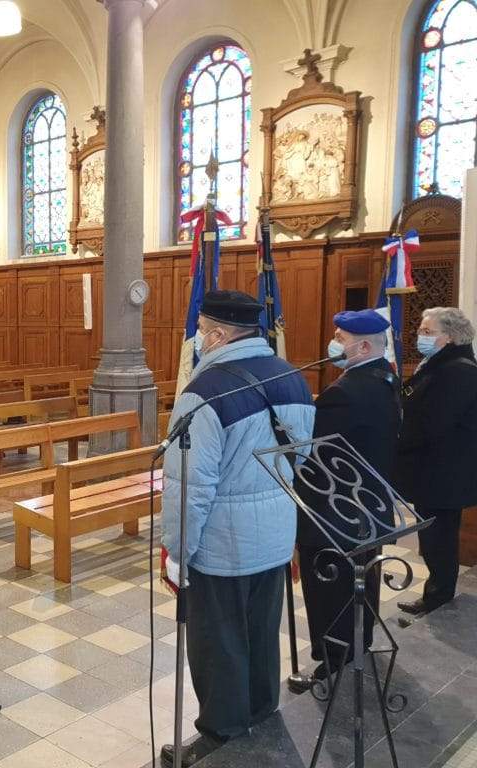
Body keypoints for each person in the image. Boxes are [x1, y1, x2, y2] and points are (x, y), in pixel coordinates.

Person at [159, 290, 315, 766]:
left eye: (201, 330)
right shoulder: (291, 376)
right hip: (275, 533)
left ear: (219, 335)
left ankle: (222, 731)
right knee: (262, 630)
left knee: (218, 641)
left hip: (223, 544)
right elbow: (301, 456)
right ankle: (261, 711)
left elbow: (189, 485)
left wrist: (177, 551)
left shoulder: (204, 392)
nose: (197, 338)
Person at [294, 310, 401, 685]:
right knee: (362, 583)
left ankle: (334, 661)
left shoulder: (344, 393)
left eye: (340, 338)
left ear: (365, 346)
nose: (334, 343)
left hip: (334, 512)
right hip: (368, 506)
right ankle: (360, 643)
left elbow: (314, 454)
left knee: (331, 590)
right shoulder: (386, 377)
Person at [395, 307, 477, 618]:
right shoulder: (438, 365)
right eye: (421, 330)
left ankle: (438, 597)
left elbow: (434, 422)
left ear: (451, 337)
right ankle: (436, 593)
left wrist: (398, 439)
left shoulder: (459, 371)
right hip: (433, 469)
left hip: (444, 473)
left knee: (438, 538)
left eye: (428, 332)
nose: (420, 336)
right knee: (433, 535)